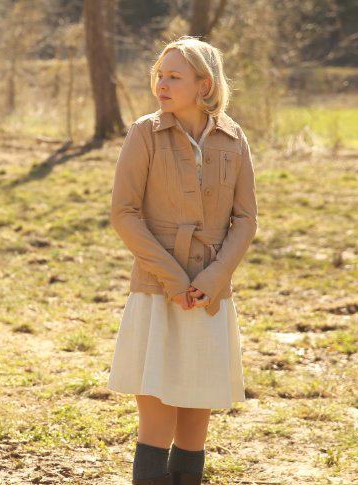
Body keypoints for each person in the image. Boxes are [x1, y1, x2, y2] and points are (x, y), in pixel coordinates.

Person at [106, 35, 258, 485]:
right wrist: (173, 279)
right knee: (156, 422)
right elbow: (124, 213)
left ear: (204, 84)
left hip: (210, 296)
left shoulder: (233, 137)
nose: (162, 84)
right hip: (157, 291)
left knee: (194, 424)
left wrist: (214, 277)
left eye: (174, 76)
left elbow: (246, 219)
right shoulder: (144, 132)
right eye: (159, 75)